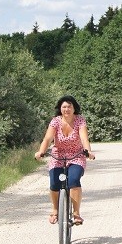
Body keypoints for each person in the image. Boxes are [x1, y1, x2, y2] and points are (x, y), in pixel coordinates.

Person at [35, 95, 95, 225]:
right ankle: (55, 210)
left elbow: (84, 139)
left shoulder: (80, 121)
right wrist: (41, 151)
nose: (66, 109)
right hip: (58, 156)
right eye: (64, 107)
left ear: (74, 108)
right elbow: (47, 139)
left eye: (69, 106)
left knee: (73, 181)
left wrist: (88, 151)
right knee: (54, 183)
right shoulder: (55, 121)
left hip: (76, 156)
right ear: (60, 109)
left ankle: (76, 214)